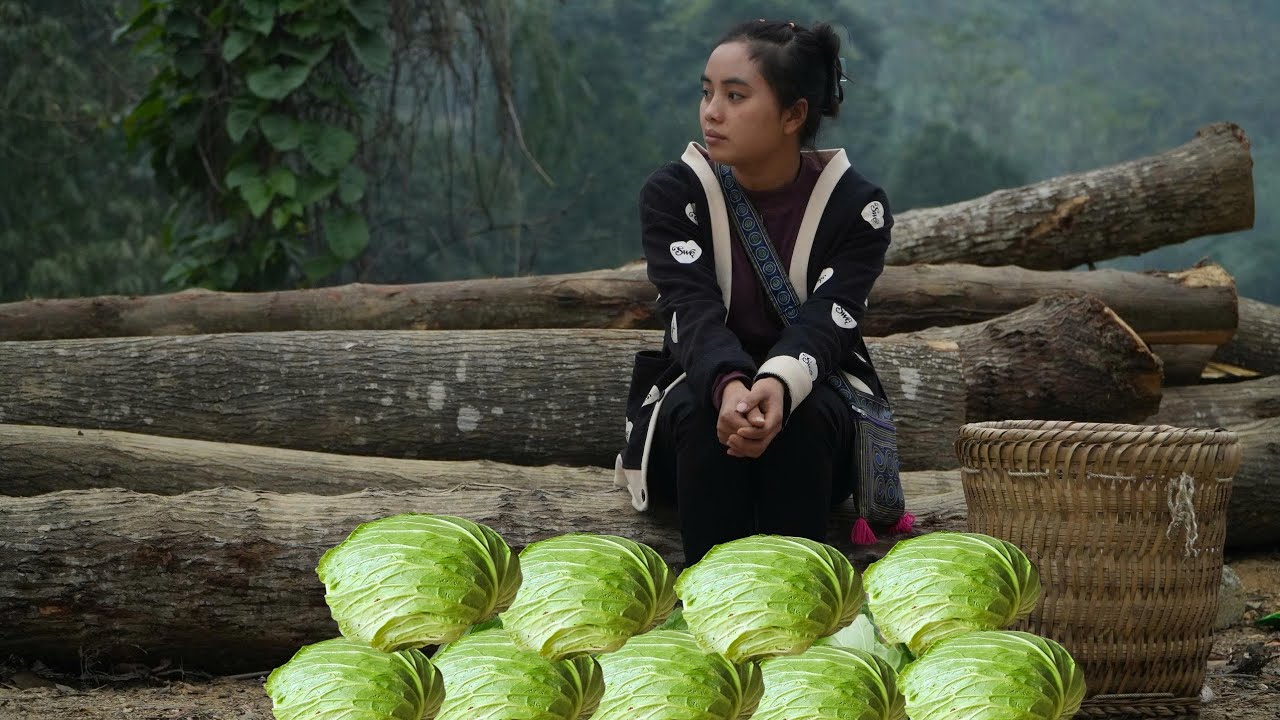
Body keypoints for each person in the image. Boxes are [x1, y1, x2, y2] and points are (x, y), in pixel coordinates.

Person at [614, 19, 903, 565]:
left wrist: (778, 382)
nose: (711, 111)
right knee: (704, 419)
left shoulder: (856, 207)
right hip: (699, 399)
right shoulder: (674, 194)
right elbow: (690, 310)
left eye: (735, 96)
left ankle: (794, 607)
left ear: (793, 115)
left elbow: (830, 318)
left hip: (814, 406)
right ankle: (712, 608)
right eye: (707, 92)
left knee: (805, 416)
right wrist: (729, 389)